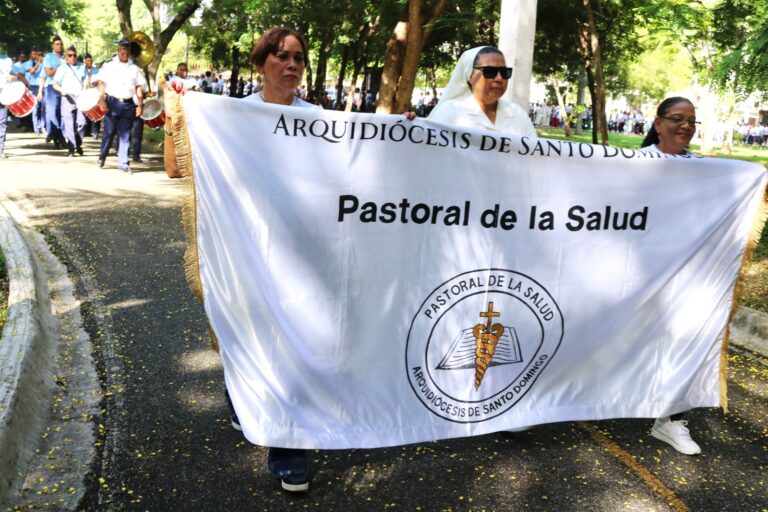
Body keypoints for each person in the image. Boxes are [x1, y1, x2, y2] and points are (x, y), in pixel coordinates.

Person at [236, 27, 320, 493]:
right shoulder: (234, 116)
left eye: (298, 58)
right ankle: (242, 397)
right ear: (261, 62)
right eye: (281, 56)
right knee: (249, 340)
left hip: (302, 254)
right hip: (246, 249)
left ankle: (290, 451)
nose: (291, 65)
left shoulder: (320, 120)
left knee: (294, 347)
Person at [639, 96, 702, 455]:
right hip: (638, 271)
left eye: (692, 121)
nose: (685, 126)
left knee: (683, 339)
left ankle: (670, 419)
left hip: (685, 273)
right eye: (677, 118)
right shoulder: (635, 163)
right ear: (658, 123)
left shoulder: (703, 169)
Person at [428, 46, 536, 137]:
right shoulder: (449, 111)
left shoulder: (518, 114)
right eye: (490, 71)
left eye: (504, 72)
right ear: (470, 75)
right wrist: (411, 124)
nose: (499, 78)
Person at [92, 38, 146, 174]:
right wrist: (102, 100)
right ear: (118, 50)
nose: (125, 52)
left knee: (125, 135)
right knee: (109, 133)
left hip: (128, 105)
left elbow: (139, 87)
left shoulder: (134, 68)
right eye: (122, 49)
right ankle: (102, 156)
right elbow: (101, 83)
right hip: (112, 102)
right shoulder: (109, 65)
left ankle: (123, 163)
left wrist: (140, 105)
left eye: (127, 50)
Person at [52, 46, 86, 157]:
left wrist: (86, 87)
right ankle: (72, 148)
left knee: (82, 123)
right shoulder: (62, 68)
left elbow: (86, 79)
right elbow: (55, 83)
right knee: (69, 124)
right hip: (67, 97)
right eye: (70, 55)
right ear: (66, 57)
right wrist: (61, 90)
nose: (73, 57)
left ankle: (77, 143)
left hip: (80, 97)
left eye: (74, 55)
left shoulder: (82, 66)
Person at [40, 35, 66, 148]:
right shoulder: (49, 57)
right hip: (51, 88)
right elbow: (48, 73)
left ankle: (60, 136)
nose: (59, 46)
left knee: (63, 113)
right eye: (57, 44)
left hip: (64, 88)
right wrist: (61, 65)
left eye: (61, 44)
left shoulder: (67, 56)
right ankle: (58, 136)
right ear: (53, 46)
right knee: (52, 113)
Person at [0, 45, 14, 158]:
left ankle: (0, 149)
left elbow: (15, 74)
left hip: (3, 91)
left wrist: (12, 77)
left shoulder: (7, 60)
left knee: (2, 121)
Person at [82, 53, 100, 139]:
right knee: (86, 111)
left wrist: (94, 83)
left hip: (94, 91)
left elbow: (100, 80)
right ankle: (86, 130)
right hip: (85, 92)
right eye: (87, 60)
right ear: (84, 61)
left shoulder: (96, 70)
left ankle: (95, 131)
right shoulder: (81, 70)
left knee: (95, 111)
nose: (89, 62)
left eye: (90, 60)